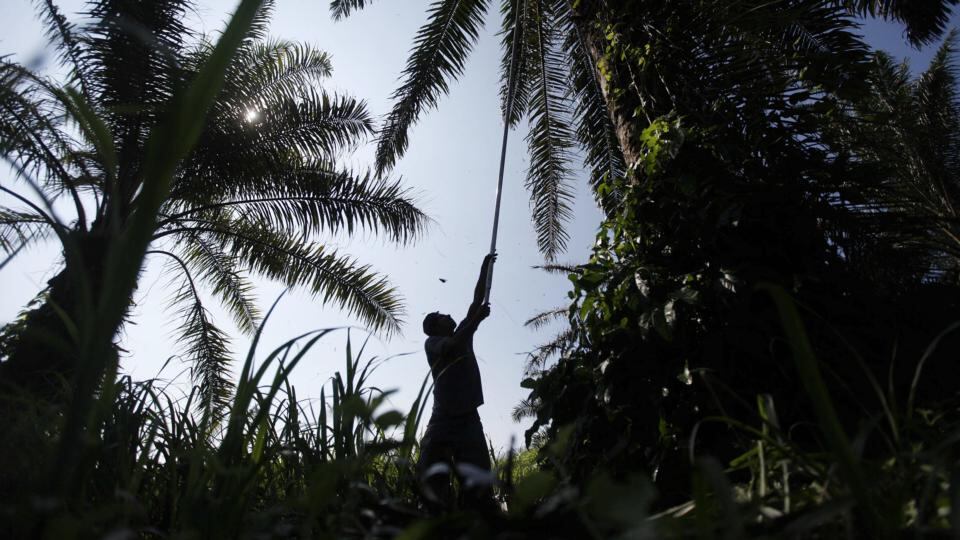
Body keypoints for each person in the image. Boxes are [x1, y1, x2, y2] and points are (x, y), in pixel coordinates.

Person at [418, 252, 496, 510]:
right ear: (434, 326)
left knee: (479, 480)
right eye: (441, 315)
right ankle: (433, 518)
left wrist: (485, 265)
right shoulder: (434, 343)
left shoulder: (464, 329)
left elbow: (477, 299)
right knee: (430, 476)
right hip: (443, 419)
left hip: (468, 418)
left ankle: (476, 520)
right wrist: (475, 322)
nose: (447, 315)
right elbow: (453, 346)